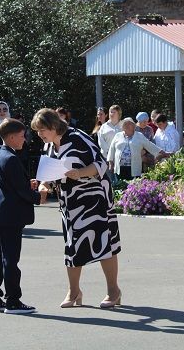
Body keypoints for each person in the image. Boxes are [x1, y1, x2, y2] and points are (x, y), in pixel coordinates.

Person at [32, 108, 122, 309]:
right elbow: (50, 169)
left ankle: (113, 290)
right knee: (72, 244)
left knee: (103, 242)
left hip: (94, 198)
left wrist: (80, 172)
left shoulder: (78, 137)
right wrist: (44, 183)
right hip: (70, 201)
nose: (39, 135)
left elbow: (101, 163)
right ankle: (74, 291)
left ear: (54, 126)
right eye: (38, 131)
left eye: (42, 130)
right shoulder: (50, 145)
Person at [0, 119, 48, 314]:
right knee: (10, 259)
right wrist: (40, 196)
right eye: (22, 136)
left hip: (1, 215)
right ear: (11, 137)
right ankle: (13, 300)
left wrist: (26, 183)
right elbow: (20, 191)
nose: (25, 139)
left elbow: (10, 185)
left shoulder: (1, 154)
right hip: (10, 216)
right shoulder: (10, 158)